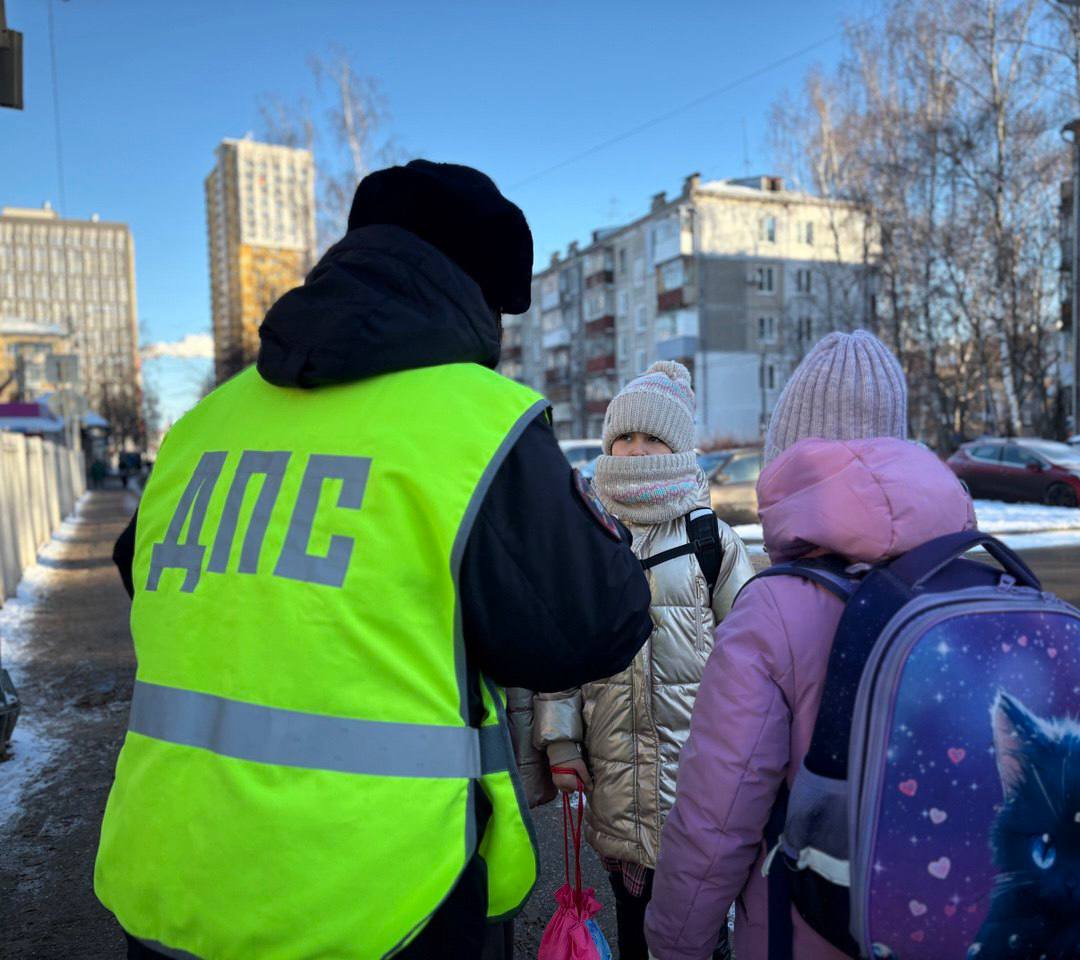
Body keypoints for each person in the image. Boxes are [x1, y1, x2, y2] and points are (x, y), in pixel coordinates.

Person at [98, 160, 654, 960]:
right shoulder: (469, 423)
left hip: (174, 886)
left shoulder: (201, 428)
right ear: (474, 297)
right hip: (386, 906)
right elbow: (598, 624)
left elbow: (146, 576)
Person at [643, 332, 975, 960]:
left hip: (811, 930)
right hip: (967, 922)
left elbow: (717, 822)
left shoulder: (775, 608)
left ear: (789, 461)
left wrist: (672, 945)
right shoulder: (974, 581)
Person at [534, 361, 754, 960]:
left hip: (696, 785)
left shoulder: (713, 542)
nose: (634, 450)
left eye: (650, 437)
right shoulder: (587, 537)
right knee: (633, 920)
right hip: (614, 776)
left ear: (677, 446)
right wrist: (558, 743)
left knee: (698, 928)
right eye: (623, 438)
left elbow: (754, 659)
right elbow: (559, 652)